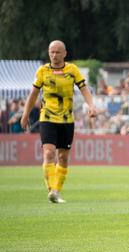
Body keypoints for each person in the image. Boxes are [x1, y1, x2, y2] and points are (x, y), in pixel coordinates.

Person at [20, 40, 97, 203]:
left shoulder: (72, 69)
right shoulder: (42, 71)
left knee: (63, 158)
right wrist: (25, 114)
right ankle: (52, 190)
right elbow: (33, 94)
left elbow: (84, 88)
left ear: (64, 54)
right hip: (47, 118)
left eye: (57, 52)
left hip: (67, 119)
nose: (54, 55)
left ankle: (56, 192)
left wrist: (91, 105)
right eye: (51, 52)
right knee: (48, 153)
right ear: (48, 53)